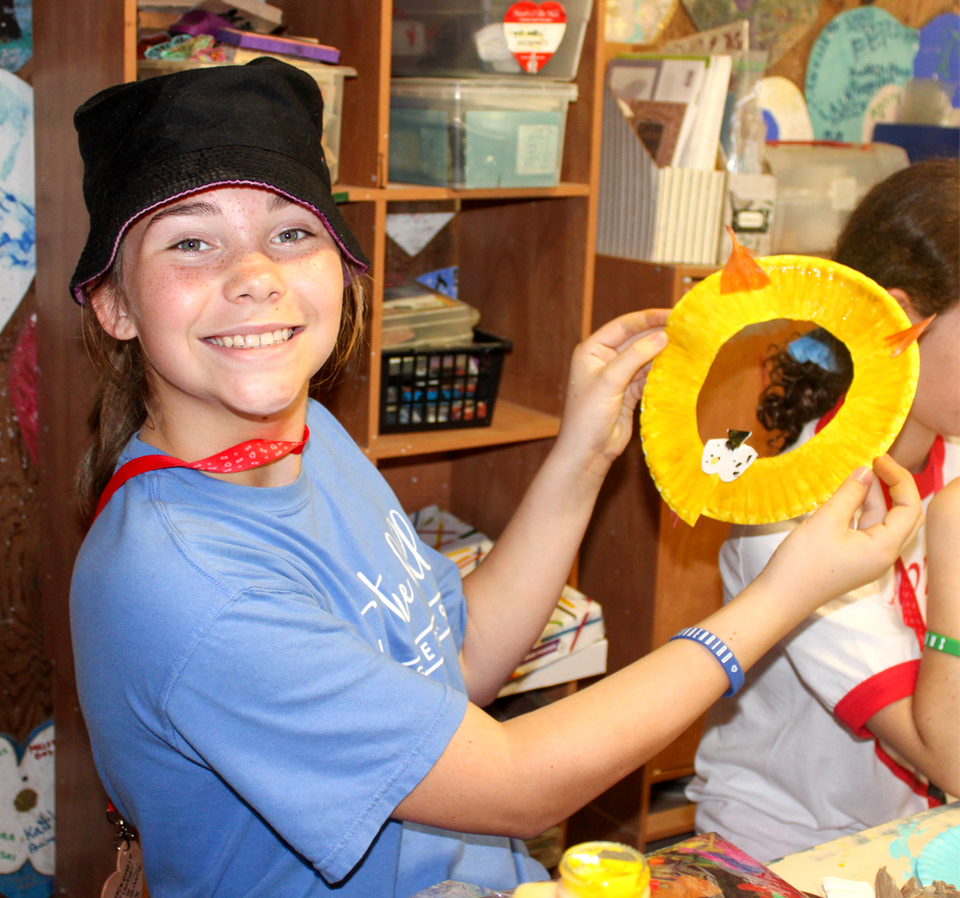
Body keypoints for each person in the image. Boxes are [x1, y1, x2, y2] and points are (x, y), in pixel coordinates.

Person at [68, 57, 922, 898]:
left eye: (292, 233)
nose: (255, 276)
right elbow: (515, 784)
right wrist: (784, 593)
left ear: (342, 266)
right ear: (115, 303)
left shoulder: (306, 438)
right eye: (192, 241)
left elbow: (457, 658)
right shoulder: (185, 581)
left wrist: (586, 455)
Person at [688, 159, 960, 863]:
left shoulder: (950, 447)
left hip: (916, 840)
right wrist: (954, 530)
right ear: (903, 320)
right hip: (787, 853)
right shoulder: (791, 507)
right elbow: (948, 756)